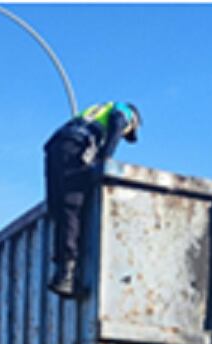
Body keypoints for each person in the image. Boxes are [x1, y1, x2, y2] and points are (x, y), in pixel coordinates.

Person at [44, 101, 141, 298]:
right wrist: (105, 161)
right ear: (134, 121)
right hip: (75, 145)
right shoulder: (123, 110)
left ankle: (61, 269)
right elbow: (116, 125)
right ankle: (66, 276)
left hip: (55, 145)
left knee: (59, 208)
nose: (124, 135)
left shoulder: (93, 111)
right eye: (128, 132)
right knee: (73, 204)